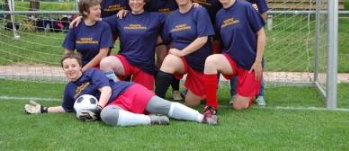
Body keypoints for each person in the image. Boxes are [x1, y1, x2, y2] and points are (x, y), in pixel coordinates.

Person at [24, 53, 217, 126]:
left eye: (73, 65)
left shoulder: (92, 73)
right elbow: (67, 108)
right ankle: (150, 120)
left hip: (126, 91)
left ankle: (202, 118)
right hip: (114, 106)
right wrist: (43, 109)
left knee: (161, 104)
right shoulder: (68, 89)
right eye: (66, 67)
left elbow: (106, 90)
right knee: (108, 117)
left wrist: (97, 108)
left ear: (80, 66)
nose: (70, 69)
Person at [202, 0, 266, 123]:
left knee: (238, 106)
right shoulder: (219, 15)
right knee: (210, 61)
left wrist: (258, 62)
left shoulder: (245, 7)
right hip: (231, 61)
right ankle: (211, 106)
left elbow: (261, 34)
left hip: (250, 64)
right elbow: (218, 43)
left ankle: (252, 93)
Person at [155, 0, 215, 109]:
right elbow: (164, 38)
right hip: (181, 60)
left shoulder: (200, 11)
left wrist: (182, 52)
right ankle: (156, 104)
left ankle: (193, 90)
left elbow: (203, 39)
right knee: (169, 60)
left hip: (199, 63)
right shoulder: (171, 17)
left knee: (191, 103)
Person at [99, 0, 166, 90]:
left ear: (144, 1)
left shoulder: (156, 17)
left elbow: (176, 18)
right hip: (126, 60)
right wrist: (83, 17)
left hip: (145, 65)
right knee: (105, 63)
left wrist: (192, 5)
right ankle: (118, 87)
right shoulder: (121, 17)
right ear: (128, 1)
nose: (135, 2)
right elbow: (99, 21)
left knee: (143, 102)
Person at [230, 0, 269, 106]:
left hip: (252, 34)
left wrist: (255, 17)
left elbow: (264, 13)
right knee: (235, 61)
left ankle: (260, 94)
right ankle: (234, 93)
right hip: (235, 33)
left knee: (257, 61)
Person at [147, 0, 182, 101]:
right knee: (161, 59)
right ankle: (159, 90)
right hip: (159, 35)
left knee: (174, 59)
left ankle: (176, 90)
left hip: (176, 33)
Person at [62, 0, 113, 71]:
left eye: (99, 8)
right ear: (85, 12)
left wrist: (83, 70)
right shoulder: (75, 26)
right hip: (80, 66)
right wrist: (71, 67)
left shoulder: (104, 27)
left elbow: (102, 54)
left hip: (99, 67)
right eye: (95, 9)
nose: (99, 11)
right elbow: (68, 52)